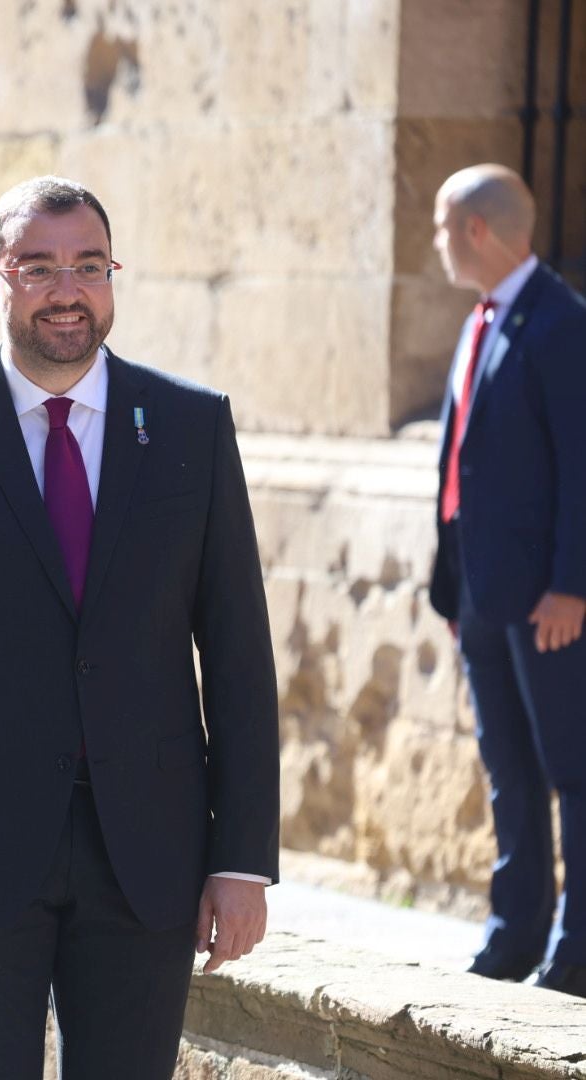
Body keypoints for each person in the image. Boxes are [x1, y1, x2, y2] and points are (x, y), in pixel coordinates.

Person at [0, 175, 280, 1078]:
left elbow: (237, 656)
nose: (67, 290)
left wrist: (242, 857)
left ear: (113, 277)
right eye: (38, 268)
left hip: (148, 859)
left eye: (88, 266)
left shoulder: (193, 426)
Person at [427, 164, 586, 997]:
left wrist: (573, 584)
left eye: (442, 226)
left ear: (478, 231)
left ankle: (579, 950)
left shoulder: (561, 324)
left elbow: (583, 465)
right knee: (508, 770)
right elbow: (466, 463)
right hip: (482, 599)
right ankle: (514, 932)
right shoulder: (480, 321)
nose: (436, 242)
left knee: (573, 771)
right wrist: (451, 590)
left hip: (547, 602)